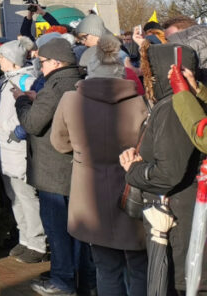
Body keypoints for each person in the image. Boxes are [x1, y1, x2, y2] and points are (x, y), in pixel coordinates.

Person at [51, 35, 147, 296]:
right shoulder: (141, 103)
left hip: (90, 195)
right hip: (132, 193)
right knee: (139, 266)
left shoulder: (71, 100)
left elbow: (59, 143)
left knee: (106, 268)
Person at [120, 44, 201, 295]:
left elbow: (169, 173)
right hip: (188, 217)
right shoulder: (192, 98)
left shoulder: (171, 107)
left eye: (150, 73)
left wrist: (133, 169)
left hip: (181, 220)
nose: (147, 79)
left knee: (184, 285)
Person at [15, 35, 86, 296]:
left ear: (56, 62)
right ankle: (76, 277)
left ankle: (62, 280)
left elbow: (32, 123)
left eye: (42, 62)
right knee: (76, 231)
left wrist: (22, 100)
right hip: (72, 169)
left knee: (57, 230)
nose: (40, 67)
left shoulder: (54, 87)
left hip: (52, 171)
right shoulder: (77, 81)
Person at [0, 37, 47, 264]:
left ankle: (37, 243)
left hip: (17, 148)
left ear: (13, 60)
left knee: (26, 196)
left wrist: (17, 132)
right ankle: (24, 237)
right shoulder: (5, 80)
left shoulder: (26, 80)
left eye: (2, 57)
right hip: (5, 149)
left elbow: (31, 111)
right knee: (14, 195)